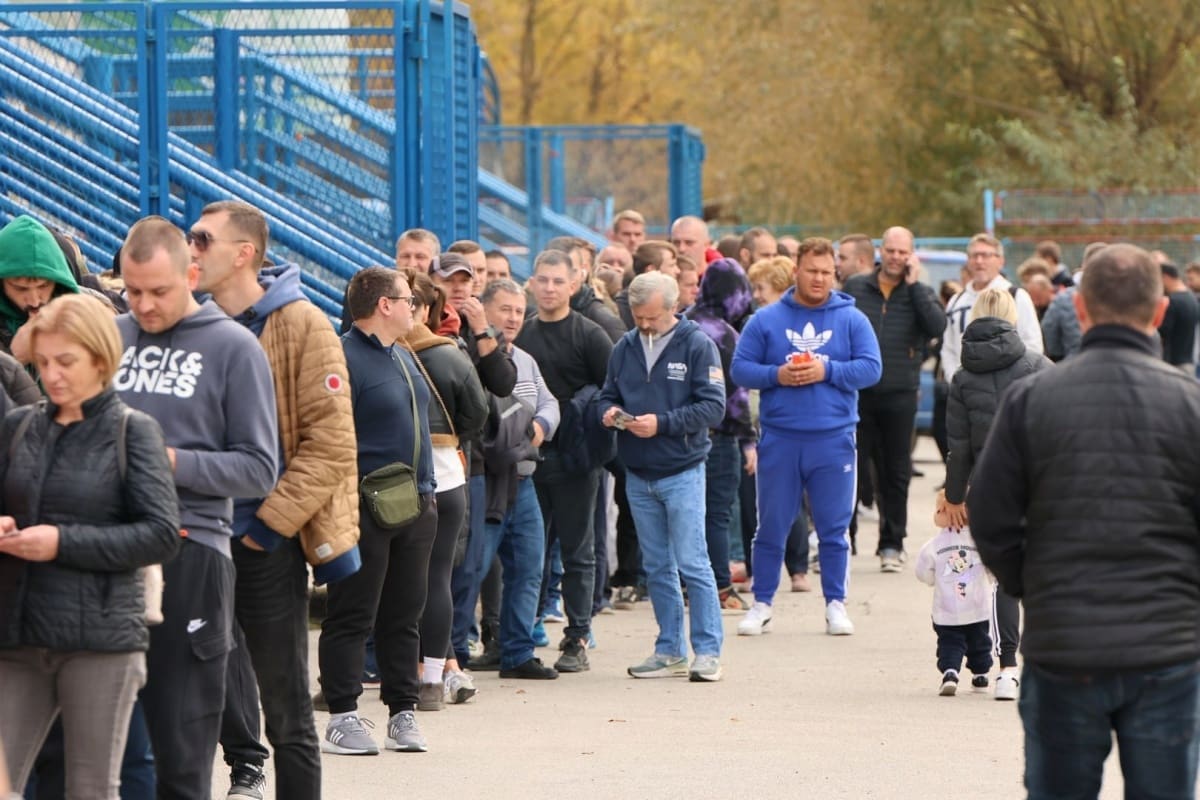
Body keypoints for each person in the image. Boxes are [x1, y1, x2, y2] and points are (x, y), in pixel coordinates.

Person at [968, 244, 1200, 799]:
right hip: (1166, 648)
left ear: (1082, 310)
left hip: (1063, 645)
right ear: (1160, 311)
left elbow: (991, 514)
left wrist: (1034, 586)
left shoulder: (1031, 399)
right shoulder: (1190, 404)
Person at [194, 200, 359, 799]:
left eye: (203, 239)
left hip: (262, 541)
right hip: (195, 539)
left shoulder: (301, 324)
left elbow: (332, 446)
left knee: (286, 707)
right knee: (186, 696)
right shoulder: (193, 325)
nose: (192, 249)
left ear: (245, 254)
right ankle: (242, 771)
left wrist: (265, 528)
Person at [116, 216, 279, 800]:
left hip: (192, 550)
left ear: (190, 272)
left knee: (181, 747)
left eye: (158, 291)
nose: (144, 305)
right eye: (132, 291)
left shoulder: (233, 346)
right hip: (109, 555)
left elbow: (260, 468)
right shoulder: (113, 337)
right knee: (118, 750)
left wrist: (168, 461)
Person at [0, 294, 180, 799]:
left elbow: (161, 534)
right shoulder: (18, 428)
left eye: (66, 362)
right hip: (17, 635)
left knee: (91, 788)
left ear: (100, 360)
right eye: (43, 363)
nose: (51, 375)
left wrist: (61, 543)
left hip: (101, 641)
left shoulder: (134, 431)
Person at [731, 237, 881, 636]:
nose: (819, 279)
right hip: (780, 438)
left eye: (826, 273)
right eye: (811, 271)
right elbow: (740, 369)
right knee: (771, 526)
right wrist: (776, 376)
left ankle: (835, 603)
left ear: (836, 274)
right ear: (795, 269)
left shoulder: (852, 319)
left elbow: (871, 369)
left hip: (834, 438)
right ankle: (762, 603)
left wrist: (827, 370)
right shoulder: (765, 319)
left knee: (834, 528)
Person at [318, 267, 438, 756]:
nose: (416, 305)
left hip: (416, 504)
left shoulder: (403, 355)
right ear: (383, 305)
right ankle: (343, 715)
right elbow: (327, 437)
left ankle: (401, 712)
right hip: (364, 507)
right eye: (408, 298)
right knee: (352, 612)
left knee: (404, 614)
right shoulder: (343, 358)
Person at [599, 272, 726, 681]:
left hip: (683, 469)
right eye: (637, 317)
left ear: (673, 308)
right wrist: (609, 412)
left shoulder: (698, 345)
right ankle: (669, 648)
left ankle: (707, 651)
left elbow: (713, 408)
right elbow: (607, 393)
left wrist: (664, 423)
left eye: (651, 317)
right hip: (638, 471)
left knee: (693, 562)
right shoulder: (625, 346)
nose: (644, 325)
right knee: (656, 567)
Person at [941, 288, 1050, 701]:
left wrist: (954, 496)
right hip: (1037, 480)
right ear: (1012, 317)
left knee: (1002, 576)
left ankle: (1006, 667)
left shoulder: (962, 377)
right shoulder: (1040, 366)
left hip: (989, 484)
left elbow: (960, 446)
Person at [515, 250, 613, 673]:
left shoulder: (590, 334)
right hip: (529, 458)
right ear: (532, 283)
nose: (550, 288)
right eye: (543, 280)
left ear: (574, 284)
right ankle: (521, 632)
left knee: (577, 551)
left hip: (576, 460)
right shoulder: (521, 333)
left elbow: (612, 390)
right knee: (527, 552)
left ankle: (577, 635)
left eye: (558, 281)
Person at [404, 273, 488, 708]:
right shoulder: (450, 355)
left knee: (386, 580)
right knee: (437, 577)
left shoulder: (364, 351)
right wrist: (452, 440)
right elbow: (478, 413)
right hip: (445, 474)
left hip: (387, 481)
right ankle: (434, 678)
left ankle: (390, 674)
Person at [842, 227, 946, 572]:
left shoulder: (921, 293)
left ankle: (892, 543)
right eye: (891, 250)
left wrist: (915, 287)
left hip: (900, 394)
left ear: (911, 255)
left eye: (903, 252)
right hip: (857, 393)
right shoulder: (857, 287)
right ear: (879, 251)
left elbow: (937, 327)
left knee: (895, 471)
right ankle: (846, 538)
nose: (896, 257)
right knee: (851, 469)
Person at [476, 278, 561, 679]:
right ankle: (455, 653)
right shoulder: (469, 353)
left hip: (524, 480)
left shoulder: (525, 359)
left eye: (516, 310)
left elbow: (550, 401)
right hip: (488, 480)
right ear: (484, 310)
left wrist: (542, 425)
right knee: (472, 568)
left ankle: (517, 653)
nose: (511, 318)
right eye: (503, 309)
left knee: (529, 567)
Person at [685, 258, 755, 610]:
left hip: (678, 434)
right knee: (716, 514)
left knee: (687, 514)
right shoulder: (725, 335)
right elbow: (736, 398)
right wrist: (748, 440)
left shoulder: (683, 323)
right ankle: (720, 587)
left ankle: (687, 584)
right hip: (719, 436)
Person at [915, 494, 994, 696]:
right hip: (977, 607)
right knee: (980, 641)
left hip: (947, 609)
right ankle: (981, 674)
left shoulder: (934, 545)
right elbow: (993, 565)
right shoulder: (980, 542)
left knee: (950, 642)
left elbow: (922, 570)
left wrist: (932, 580)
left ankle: (950, 672)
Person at [942, 233, 1043, 383]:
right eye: (974, 256)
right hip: (967, 390)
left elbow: (1032, 345)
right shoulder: (956, 301)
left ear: (1000, 261)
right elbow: (948, 348)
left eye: (986, 255)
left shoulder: (1016, 296)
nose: (979, 261)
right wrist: (956, 381)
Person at [0, 216, 79, 360]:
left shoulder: (85, 315)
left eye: (43, 286)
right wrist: (15, 357)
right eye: (21, 289)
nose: (35, 301)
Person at [1158, 262, 1198, 371]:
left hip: (1173, 365)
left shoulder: (1173, 301)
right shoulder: (1192, 298)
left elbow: (1162, 334)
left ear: (1165, 277)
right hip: (1189, 362)